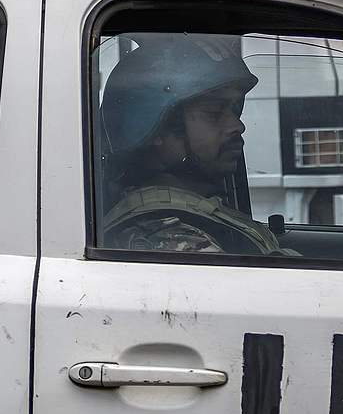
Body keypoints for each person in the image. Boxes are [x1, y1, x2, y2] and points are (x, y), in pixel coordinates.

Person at [96, 34, 284, 254]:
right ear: (158, 130)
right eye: (214, 112)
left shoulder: (200, 214)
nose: (237, 126)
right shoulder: (167, 240)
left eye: (234, 110)